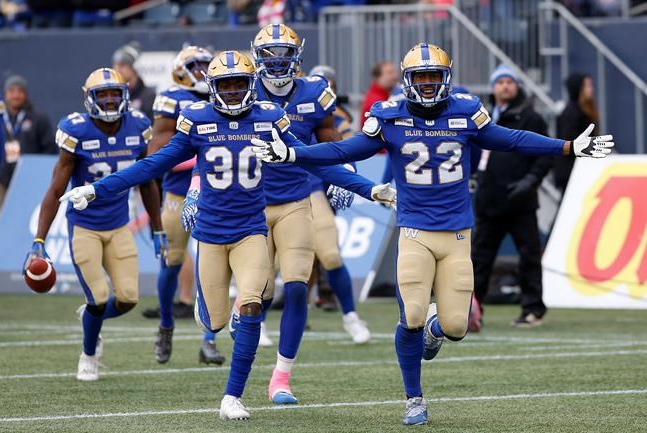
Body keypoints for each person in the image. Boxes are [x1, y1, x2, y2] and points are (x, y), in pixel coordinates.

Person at [250, 43, 614, 425]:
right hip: (414, 230)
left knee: (456, 326)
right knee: (411, 315)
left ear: (446, 78)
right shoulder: (390, 116)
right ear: (408, 80)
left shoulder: (465, 111)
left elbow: (512, 139)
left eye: (433, 76)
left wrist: (568, 147)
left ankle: (434, 330)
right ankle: (414, 399)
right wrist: (294, 154)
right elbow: (346, 150)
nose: (427, 83)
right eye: (420, 77)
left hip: (457, 234)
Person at [60, 51, 395, 420]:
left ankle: (232, 397)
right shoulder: (197, 119)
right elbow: (153, 164)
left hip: (251, 229)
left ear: (251, 85)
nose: (233, 91)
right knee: (214, 322)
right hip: (210, 233)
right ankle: (216, 318)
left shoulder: (268, 118)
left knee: (252, 305)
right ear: (213, 87)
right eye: (225, 84)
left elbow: (308, 158)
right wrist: (97, 189)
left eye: (239, 83)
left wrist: (368, 189)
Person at [232, 24, 374, 406]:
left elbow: (333, 144)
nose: (277, 62)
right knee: (258, 292)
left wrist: (345, 176)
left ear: (297, 55)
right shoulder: (241, 89)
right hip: (252, 202)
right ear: (257, 57)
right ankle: (235, 319)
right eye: (270, 54)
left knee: (297, 285)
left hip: (297, 199)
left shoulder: (315, 93)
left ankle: (281, 378)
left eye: (284, 53)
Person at [24, 68, 165, 382]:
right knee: (99, 298)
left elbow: (147, 182)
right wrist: (39, 240)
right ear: (90, 98)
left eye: (115, 93)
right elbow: (56, 189)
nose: (111, 99)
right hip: (85, 226)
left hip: (119, 225)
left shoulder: (138, 125)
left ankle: (89, 317)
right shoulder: (77, 130)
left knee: (128, 298)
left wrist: (157, 228)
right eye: (104, 94)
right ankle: (88, 355)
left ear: (125, 95)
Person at [146, 46, 225, 366]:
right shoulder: (172, 100)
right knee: (173, 261)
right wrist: (200, 159)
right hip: (179, 194)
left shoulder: (226, 95)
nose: (203, 71)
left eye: (206, 64)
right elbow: (157, 153)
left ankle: (209, 339)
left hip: (219, 196)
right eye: (196, 66)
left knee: (213, 266)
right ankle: (166, 325)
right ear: (180, 71)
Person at [471, 65, 555, 329]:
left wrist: (530, 181)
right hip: (489, 199)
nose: (505, 86)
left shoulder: (531, 117)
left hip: (521, 201)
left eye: (510, 81)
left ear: (517, 86)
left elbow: (545, 155)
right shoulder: (482, 116)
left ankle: (532, 309)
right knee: (479, 258)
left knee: (529, 256)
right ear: (493, 87)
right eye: (500, 82)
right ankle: (471, 309)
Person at [308, 63, 371, 342]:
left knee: (329, 255)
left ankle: (350, 316)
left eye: (328, 86)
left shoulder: (336, 116)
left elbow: (346, 148)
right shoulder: (286, 107)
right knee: (270, 264)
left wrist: (346, 175)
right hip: (276, 193)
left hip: (315, 190)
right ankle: (253, 320)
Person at [0, 75, 55, 213]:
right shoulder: (0, 120)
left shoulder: (39, 119)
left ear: (26, 94)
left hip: (29, 181)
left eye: (20, 91)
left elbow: (50, 150)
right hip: (2, 179)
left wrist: (37, 171)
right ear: (5, 95)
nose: (16, 96)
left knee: (27, 215)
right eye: (12, 91)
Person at [553, 72, 599, 194]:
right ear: (578, 88)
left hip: (579, 170)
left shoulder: (583, 110)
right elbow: (569, 143)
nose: (591, 89)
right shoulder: (572, 113)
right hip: (572, 172)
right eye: (587, 85)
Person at [112, 43, 156, 120]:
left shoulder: (148, 96)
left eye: (122, 65)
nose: (117, 70)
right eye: (115, 65)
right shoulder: (112, 95)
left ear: (134, 67)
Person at [359, 61, 399, 126]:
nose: (395, 76)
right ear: (378, 77)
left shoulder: (387, 94)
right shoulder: (375, 102)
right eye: (390, 73)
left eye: (395, 72)